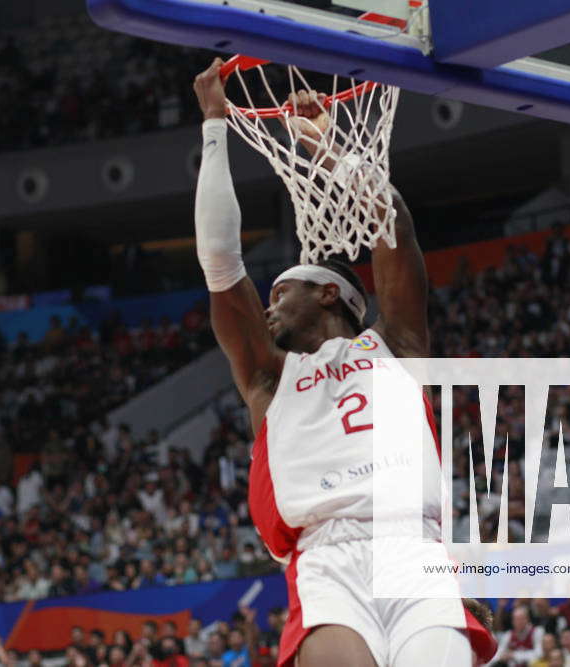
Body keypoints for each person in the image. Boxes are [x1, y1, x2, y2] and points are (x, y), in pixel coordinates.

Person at [191, 58, 496, 667]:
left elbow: (394, 229)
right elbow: (221, 266)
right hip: (328, 556)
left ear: (329, 294)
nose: (268, 310)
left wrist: (331, 149)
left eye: (280, 292)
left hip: (413, 547)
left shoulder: (398, 345)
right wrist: (215, 129)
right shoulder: (268, 375)